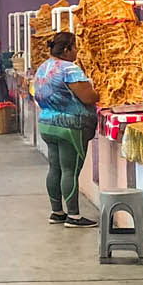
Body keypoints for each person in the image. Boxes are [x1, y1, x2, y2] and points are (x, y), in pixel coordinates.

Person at [33, 32, 99, 227]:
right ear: (66, 49)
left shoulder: (43, 67)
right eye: (74, 47)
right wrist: (96, 91)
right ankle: (74, 216)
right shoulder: (69, 69)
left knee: (55, 168)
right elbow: (88, 97)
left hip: (47, 123)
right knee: (70, 170)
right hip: (70, 126)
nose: (76, 51)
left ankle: (57, 212)